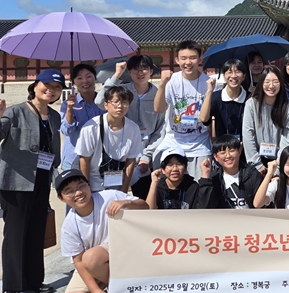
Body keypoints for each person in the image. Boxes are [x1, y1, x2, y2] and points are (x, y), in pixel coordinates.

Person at [0, 69, 66, 293]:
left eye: (57, 88)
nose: (51, 90)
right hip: (15, 182)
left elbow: (53, 150)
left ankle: (34, 281)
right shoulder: (15, 111)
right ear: (35, 85)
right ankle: (15, 287)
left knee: (35, 231)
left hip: (41, 179)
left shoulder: (54, 116)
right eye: (46, 85)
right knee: (16, 233)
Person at [56, 169, 148, 293]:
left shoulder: (110, 196)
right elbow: (78, 261)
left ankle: (122, 289)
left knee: (91, 258)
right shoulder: (68, 225)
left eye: (81, 186)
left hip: (121, 251)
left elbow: (145, 206)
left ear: (89, 186)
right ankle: (107, 288)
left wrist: (126, 203)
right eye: (70, 191)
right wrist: (95, 290)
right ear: (61, 198)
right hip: (94, 263)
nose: (78, 193)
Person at [95, 56, 165, 199]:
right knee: (115, 199)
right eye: (136, 69)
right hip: (120, 156)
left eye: (144, 69)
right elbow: (100, 102)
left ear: (151, 71)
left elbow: (161, 130)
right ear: (130, 72)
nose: (140, 73)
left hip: (146, 159)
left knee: (143, 200)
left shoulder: (159, 95)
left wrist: (146, 155)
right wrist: (116, 75)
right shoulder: (122, 92)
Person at [154, 40, 212, 179]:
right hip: (173, 141)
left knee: (201, 183)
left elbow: (208, 119)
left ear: (200, 59)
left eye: (192, 58)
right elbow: (158, 109)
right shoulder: (171, 81)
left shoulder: (208, 83)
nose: (188, 62)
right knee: (159, 171)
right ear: (177, 60)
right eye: (183, 58)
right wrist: (162, 84)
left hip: (199, 143)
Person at [76, 86, 143, 193]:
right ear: (105, 105)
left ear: (129, 105)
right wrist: (86, 187)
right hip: (94, 185)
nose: (120, 106)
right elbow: (84, 159)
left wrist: (124, 188)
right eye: (115, 102)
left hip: (118, 185)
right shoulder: (91, 127)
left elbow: (131, 160)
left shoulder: (133, 128)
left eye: (124, 102)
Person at [242, 66, 289, 172]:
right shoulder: (251, 104)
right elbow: (248, 134)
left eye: (275, 82)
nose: (271, 86)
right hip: (257, 161)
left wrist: (279, 164)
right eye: (267, 82)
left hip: (279, 160)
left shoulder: (288, 105)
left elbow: (288, 137)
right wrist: (257, 164)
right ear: (261, 83)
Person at [60, 64, 105, 171]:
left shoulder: (105, 102)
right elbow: (67, 131)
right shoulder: (67, 104)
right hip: (74, 159)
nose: (85, 81)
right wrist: (70, 109)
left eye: (89, 76)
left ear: (95, 78)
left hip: (100, 158)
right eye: (79, 78)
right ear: (74, 82)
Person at [198, 135, 262, 209]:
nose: (228, 156)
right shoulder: (214, 179)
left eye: (232, 151)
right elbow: (205, 207)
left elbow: (262, 204)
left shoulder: (252, 175)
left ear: (239, 151)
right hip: (223, 216)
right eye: (223, 153)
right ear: (215, 157)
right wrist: (205, 176)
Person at [199, 59, 248, 140]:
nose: (233, 76)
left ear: (244, 76)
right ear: (224, 76)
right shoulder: (216, 97)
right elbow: (204, 119)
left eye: (237, 72)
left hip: (244, 146)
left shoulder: (250, 98)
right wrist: (209, 91)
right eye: (229, 72)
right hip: (222, 146)